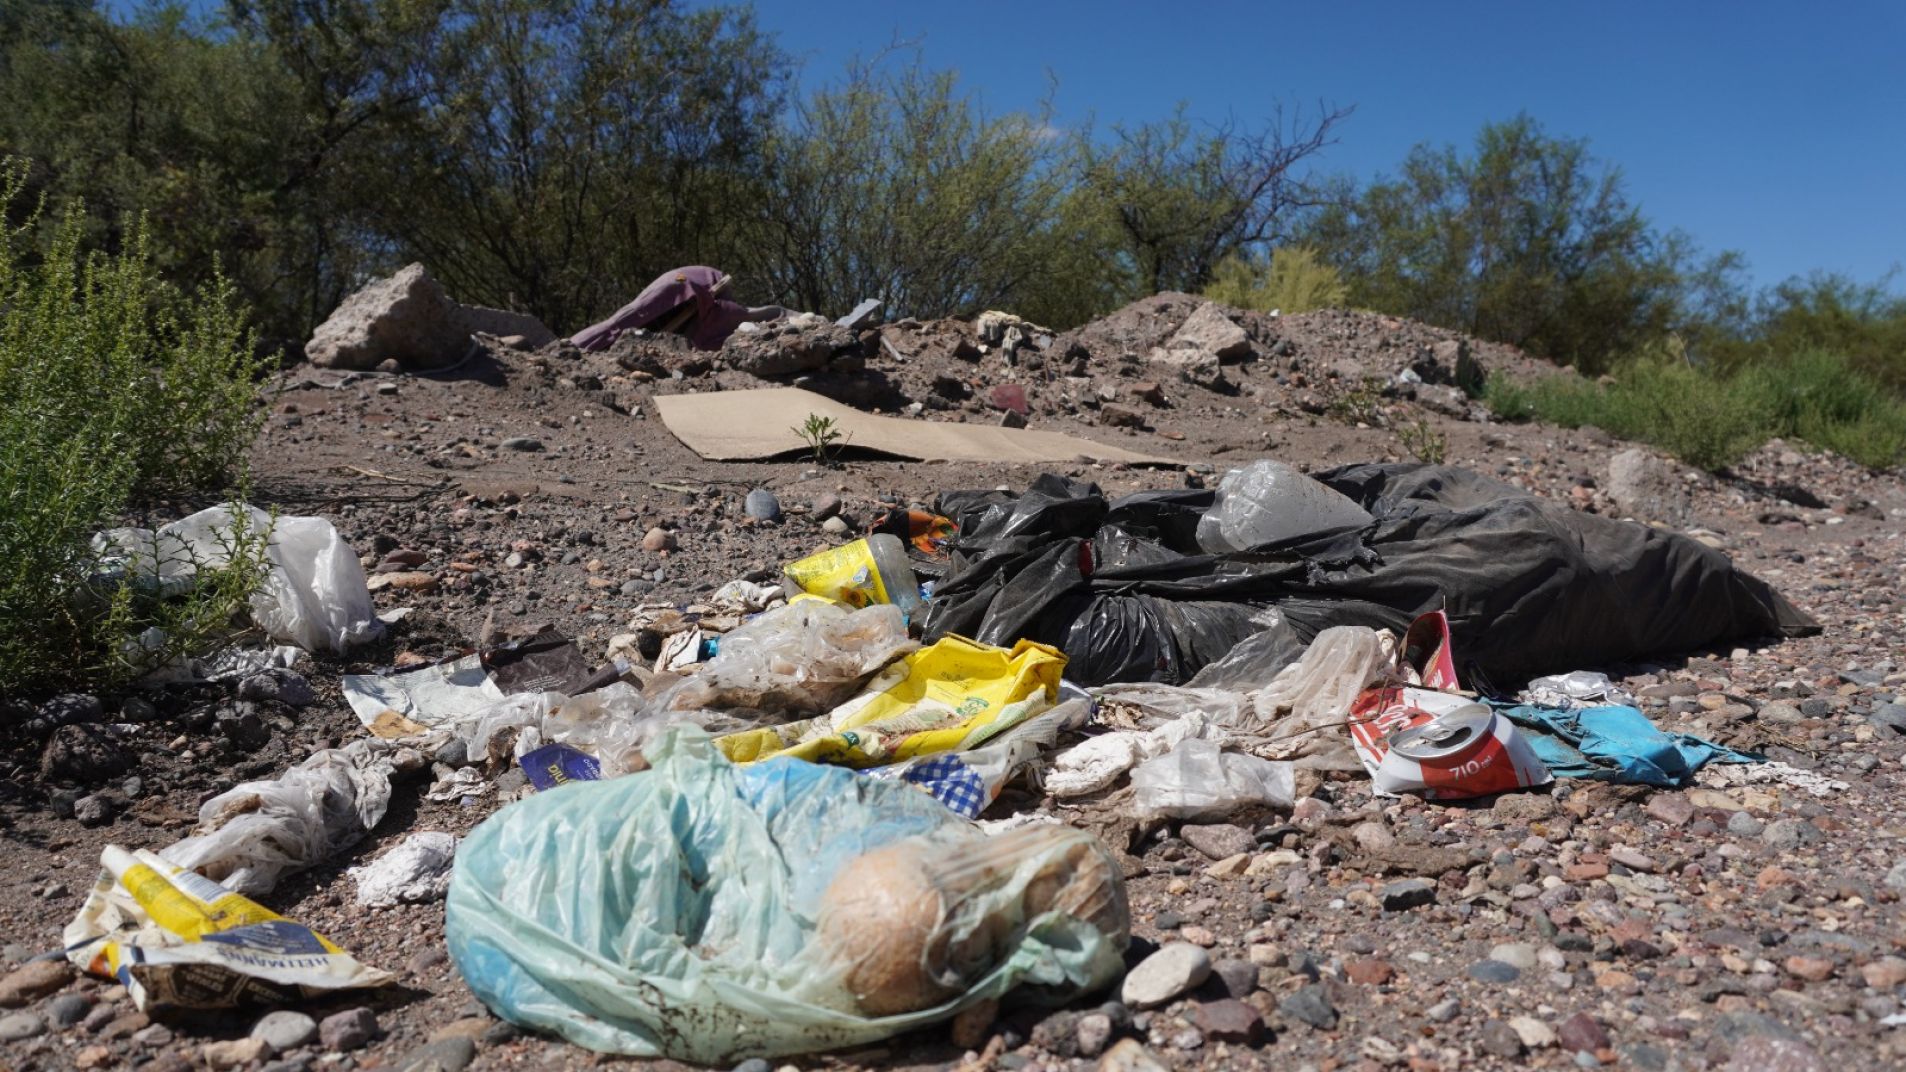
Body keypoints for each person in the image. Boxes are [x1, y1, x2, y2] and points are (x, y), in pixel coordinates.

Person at [568, 266, 783, 352]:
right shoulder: (723, 309)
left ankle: (576, 345)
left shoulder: (723, 310)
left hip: (693, 286)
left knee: (627, 317)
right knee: (627, 317)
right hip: (688, 283)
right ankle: (576, 346)